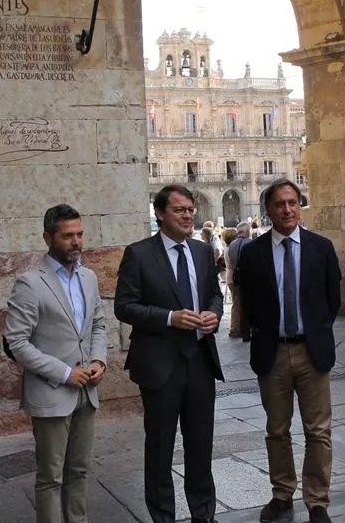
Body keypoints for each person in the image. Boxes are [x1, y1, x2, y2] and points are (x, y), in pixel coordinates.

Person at [115, 185, 224, 523]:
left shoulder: (203, 252)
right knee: (160, 448)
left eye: (190, 209)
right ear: (160, 214)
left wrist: (213, 314)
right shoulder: (139, 253)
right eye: (179, 210)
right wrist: (168, 318)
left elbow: (214, 295)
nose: (188, 215)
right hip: (160, 365)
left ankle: (203, 513)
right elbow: (124, 306)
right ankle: (163, 516)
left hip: (200, 363)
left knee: (200, 446)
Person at [235, 179, 342, 523]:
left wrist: (316, 331)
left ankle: (317, 500)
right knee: (277, 429)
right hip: (273, 353)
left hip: (312, 352)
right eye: (280, 204)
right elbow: (247, 301)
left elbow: (332, 300)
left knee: (318, 430)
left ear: (300, 205)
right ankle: (282, 493)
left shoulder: (321, 248)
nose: (287, 210)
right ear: (268, 210)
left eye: (293, 203)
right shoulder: (253, 253)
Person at [4, 204, 107, 523]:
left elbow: (99, 325)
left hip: (87, 393)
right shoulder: (30, 283)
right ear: (48, 237)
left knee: (79, 470)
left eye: (79, 234)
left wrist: (98, 360)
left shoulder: (88, 277)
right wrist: (64, 373)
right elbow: (17, 343)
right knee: (50, 477)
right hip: (51, 395)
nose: (76, 242)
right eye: (67, 236)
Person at [226, 223, 252, 341]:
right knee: (246, 303)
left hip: (234, 276)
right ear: (246, 231)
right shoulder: (249, 243)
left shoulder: (232, 244)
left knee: (236, 303)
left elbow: (231, 262)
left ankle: (238, 328)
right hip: (246, 276)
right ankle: (243, 329)